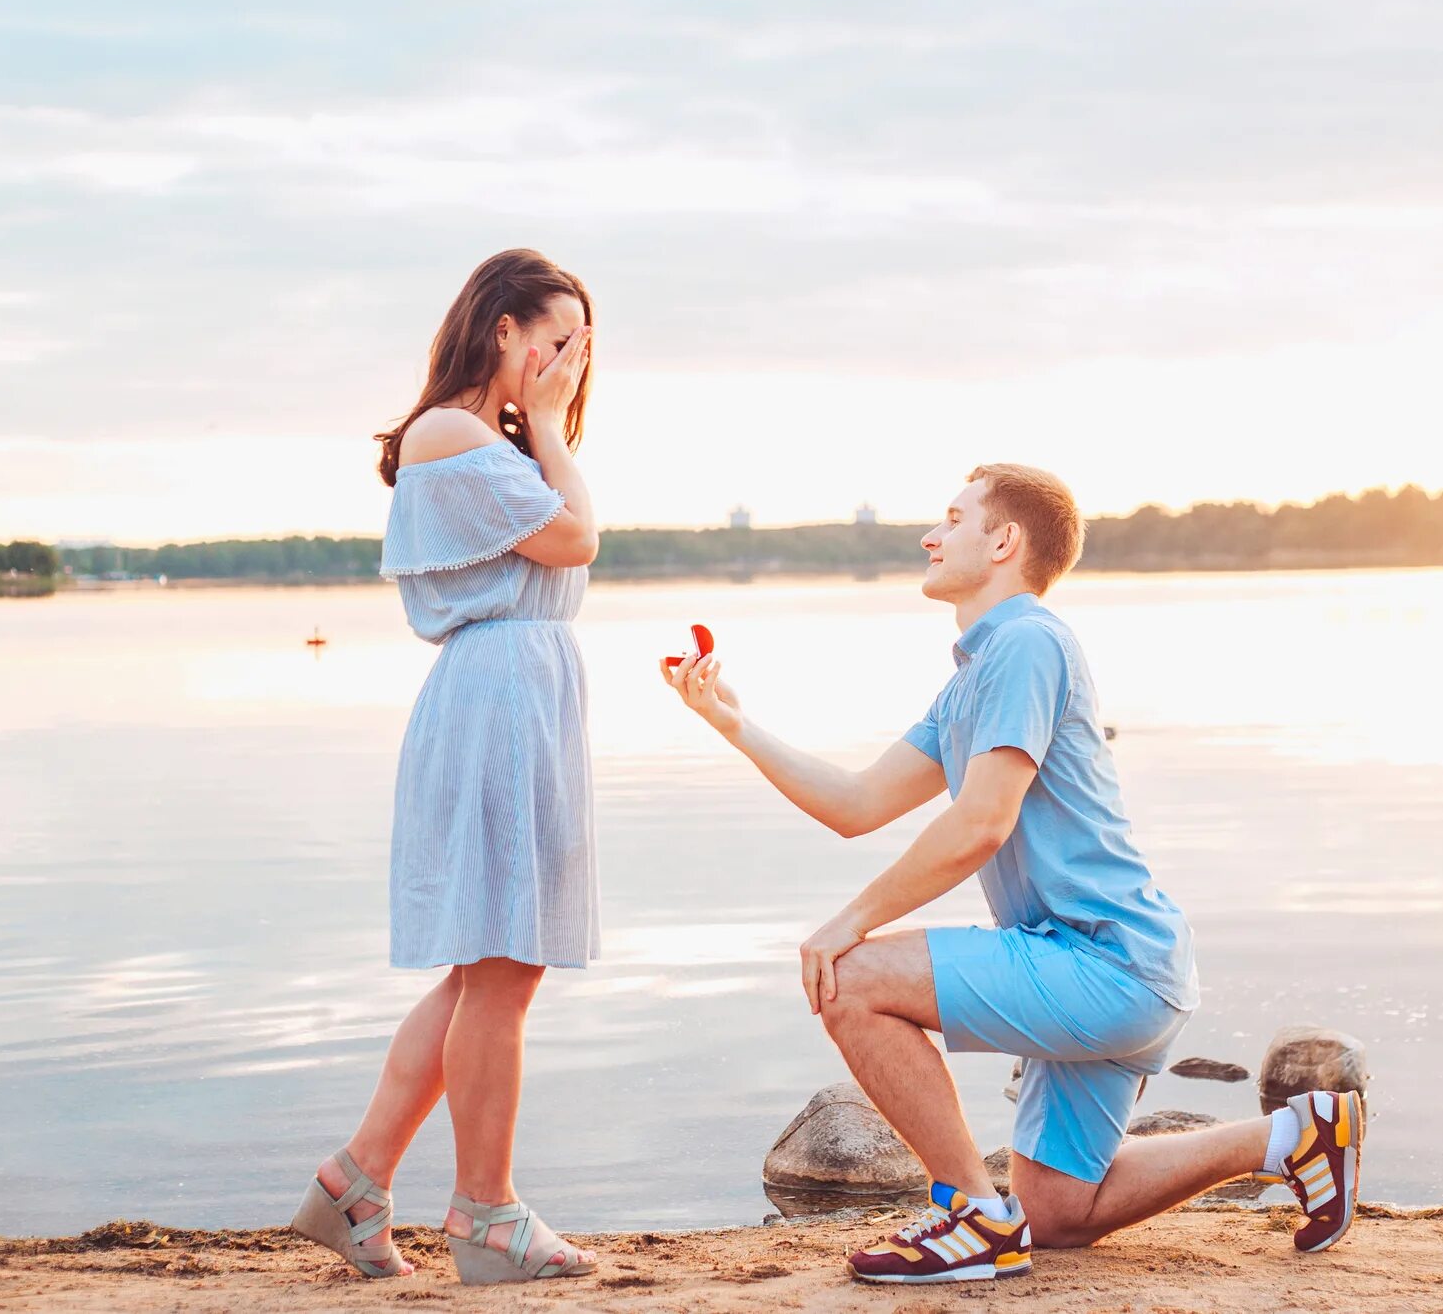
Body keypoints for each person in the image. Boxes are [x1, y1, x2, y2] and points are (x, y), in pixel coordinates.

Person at [662, 463, 1364, 1285]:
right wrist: (732, 723)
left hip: (1108, 963)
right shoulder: (974, 679)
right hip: (1109, 967)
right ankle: (1297, 1135)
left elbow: (983, 822)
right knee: (1060, 1212)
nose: (930, 534)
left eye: (952, 518)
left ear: (1004, 540)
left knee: (847, 977)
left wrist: (847, 922)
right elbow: (854, 803)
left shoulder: (1028, 642)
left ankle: (972, 1212)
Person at [290, 249, 602, 1286]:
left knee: (487, 965)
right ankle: (485, 1212)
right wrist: (552, 430)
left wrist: (545, 428)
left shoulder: (482, 440)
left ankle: (355, 1181)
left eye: (581, 347)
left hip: (519, 691)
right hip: (497, 700)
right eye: (555, 339)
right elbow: (573, 539)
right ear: (501, 328)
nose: (569, 362)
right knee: (504, 965)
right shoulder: (452, 432)